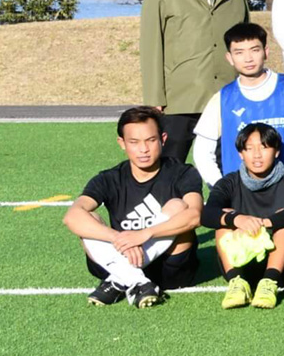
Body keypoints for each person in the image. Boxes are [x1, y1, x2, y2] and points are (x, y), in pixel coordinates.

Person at [64, 106, 204, 308]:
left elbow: (195, 216)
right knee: (88, 218)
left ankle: (119, 280)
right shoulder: (109, 178)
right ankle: (138, 281)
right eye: (134, 142)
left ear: (163, 139)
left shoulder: (183, 173)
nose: (143, 149)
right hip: (121, 256)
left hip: (170, 269)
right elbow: (71, 217)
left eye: (151, 140)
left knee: (178, 205)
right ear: (122, 143)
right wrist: (118, 238)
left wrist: (144, 234)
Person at [139, 0, 250, 161]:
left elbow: (247, 46)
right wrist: (154, 99)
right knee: (170, 166)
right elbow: (150, 48)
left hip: (227, 97)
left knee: (229, 166)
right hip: (179, 100)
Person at [191, 21, 284, 192]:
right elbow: (202, 151)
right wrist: (221, 189)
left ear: (266, 52)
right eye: (239, 52)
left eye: (254, 50)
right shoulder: (223, 98)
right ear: (229, 58)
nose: (248, 58)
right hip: (242, 195)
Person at [202, 123, 284, 311]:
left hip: (283, 264)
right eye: (249, 148)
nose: (257, 155)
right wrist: (237, 219)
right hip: (243, 262)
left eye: (264, 147)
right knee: (223, 219)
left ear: (277, 151)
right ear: (241, 154)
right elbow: (206, 214)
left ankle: (269, 284)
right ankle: (237, 284)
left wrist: (266, 222)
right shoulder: (229, 182)